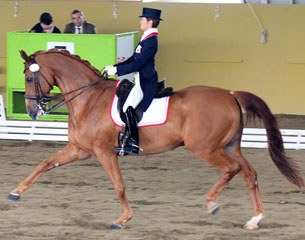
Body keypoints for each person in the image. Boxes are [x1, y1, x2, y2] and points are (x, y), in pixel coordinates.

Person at [104, 7, 163, 155]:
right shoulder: (146, 37)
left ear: (150, 21)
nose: (140, 21)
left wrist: (117, 71)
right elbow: (133, 59)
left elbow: (139, 64)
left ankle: (134, 143)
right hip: (139, 78)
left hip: (146, 81)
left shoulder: (151, 41)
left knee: (128, 107)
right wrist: (114, 67)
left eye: (142, 19)